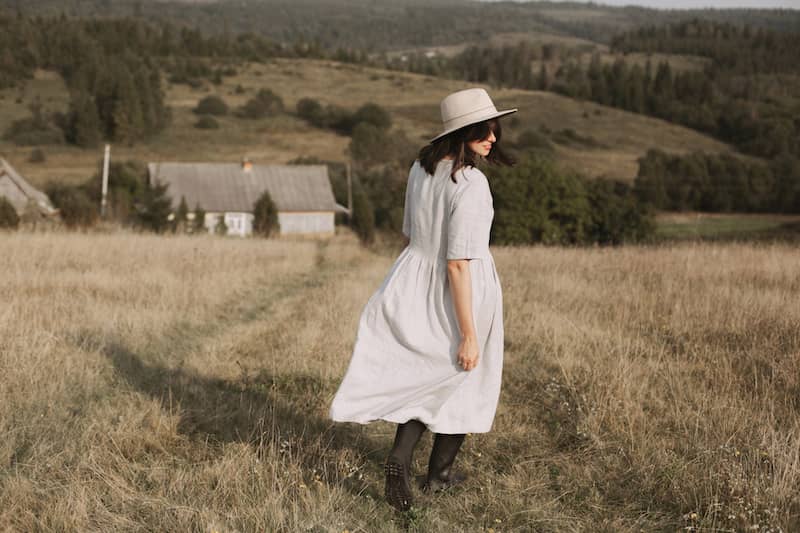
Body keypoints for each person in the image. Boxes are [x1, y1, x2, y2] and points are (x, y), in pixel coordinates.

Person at [329, 88, 516, 511]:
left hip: (415, 275)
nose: (493, 138)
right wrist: (469, 332)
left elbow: (410, 234)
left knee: (427, 374)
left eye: (495, 129)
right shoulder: (470, 184)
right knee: (465, 373)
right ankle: (440, 474)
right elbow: (457, 263)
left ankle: (402, 456)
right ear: (464, 131)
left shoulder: (421, 167)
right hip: (461, 286)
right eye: (485, 130)